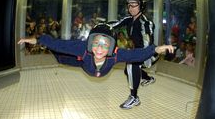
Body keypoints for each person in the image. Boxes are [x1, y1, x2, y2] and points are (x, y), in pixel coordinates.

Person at [18, 24, 174, 78]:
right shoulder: (83, 48)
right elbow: (60, 44)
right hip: (84, 64)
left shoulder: (116, 54)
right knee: (60, 56)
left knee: (67, 55)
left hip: (101, 70)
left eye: (105, 45)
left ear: (112, 47)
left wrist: (156, 49)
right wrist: (38, 40)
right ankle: (61, 57)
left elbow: (135, 55)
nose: (100, 49)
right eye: (96, 43)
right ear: (90, 42)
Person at [110, 0, 157, 109]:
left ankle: (134, 97)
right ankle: (148, 78)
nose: (131, 8)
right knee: (127, 71)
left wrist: (144, 56)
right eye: (129, 5)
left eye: (134, 5)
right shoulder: (128, 20)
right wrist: (102, 27)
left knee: (132, 67)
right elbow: (114, 25)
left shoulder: (145, 23)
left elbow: (148, 42)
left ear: (141, 6)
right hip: (135, 51)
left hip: (146, 53)